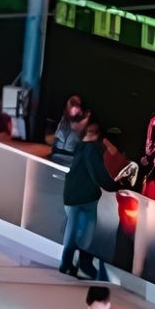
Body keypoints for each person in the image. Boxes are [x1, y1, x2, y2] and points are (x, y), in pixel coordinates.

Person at [60, 116, 112, 280]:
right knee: (85, 233)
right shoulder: (91, 149)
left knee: (74, 230)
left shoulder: (80, 146)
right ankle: (77, 264)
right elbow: (97, 173)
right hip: (85, 198)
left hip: (73, 196)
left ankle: (68, 264)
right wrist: (113, 186)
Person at [46, 96, 88, 167]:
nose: (74, 107)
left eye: (77, 104)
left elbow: (75, 127)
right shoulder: (64, 118)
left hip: (70, 159)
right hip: (56, 155)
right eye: (72, 104)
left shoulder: (83, 121)